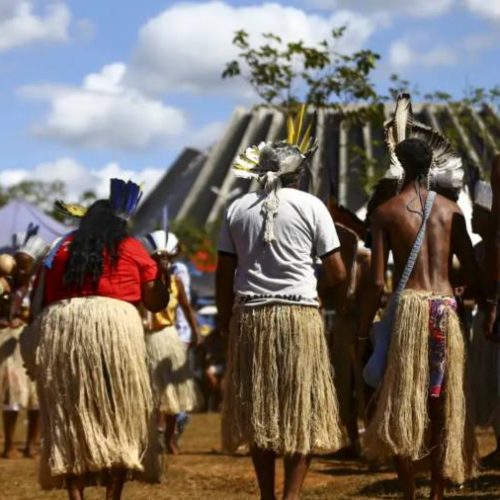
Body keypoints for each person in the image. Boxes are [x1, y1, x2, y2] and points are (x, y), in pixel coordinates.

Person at [217, 107, 347, 500]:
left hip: (251, 316)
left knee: (259, 410)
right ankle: (290, 497)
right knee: (300, 411)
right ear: (298, 173)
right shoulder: (312, 207)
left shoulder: (237, 208)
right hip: (299, 315)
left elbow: (224, 275)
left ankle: (267, 496)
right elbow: (339, 272)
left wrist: (226, 323)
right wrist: (325, 294)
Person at [26, 180, 169, 500]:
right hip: (116, 329)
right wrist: (163, 275)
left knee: (70, 412)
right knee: (120, 413)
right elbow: (155, 302)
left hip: (63, 328)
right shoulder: (131, 247)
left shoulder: (61, 249)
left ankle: (76, 496)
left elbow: (41, 302)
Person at [359, 135, 478, 499]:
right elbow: (470, 270)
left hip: (410, 309)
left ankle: (410, 491)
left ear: (401, 165)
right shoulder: (452, 210)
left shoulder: (385, 212)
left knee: (402, 405)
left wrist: (365, 327)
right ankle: (437, 492)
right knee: (442, 405)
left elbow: (378, 281)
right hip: (444, 308)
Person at [141, 230, 201, 457]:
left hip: (170, 337)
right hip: (149, 338)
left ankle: (169, 436)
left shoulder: (176, 282)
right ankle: (155, 435)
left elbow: (186, 307)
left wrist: (196, 332)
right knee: (155, 390)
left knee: (173, 392)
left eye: (166, 258)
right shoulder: (144, 282)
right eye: (159, 258)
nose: (163, 262)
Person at [0, 229, 47, 458]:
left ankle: (32, 444)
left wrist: (29, 318)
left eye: (25, 264)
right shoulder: (4, 285)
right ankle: (8, 445)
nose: (20, 269)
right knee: (12, 391)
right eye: (17, 264)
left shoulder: (40, 286)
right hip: (9, 342)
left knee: (36, 394)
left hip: (35, 339)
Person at [467, 179, 500, 465]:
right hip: (484, 324)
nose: (473, 218)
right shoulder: (479, 248)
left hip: (494, 326)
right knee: (489, 387)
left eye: (478, 214)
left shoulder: (494, 246)